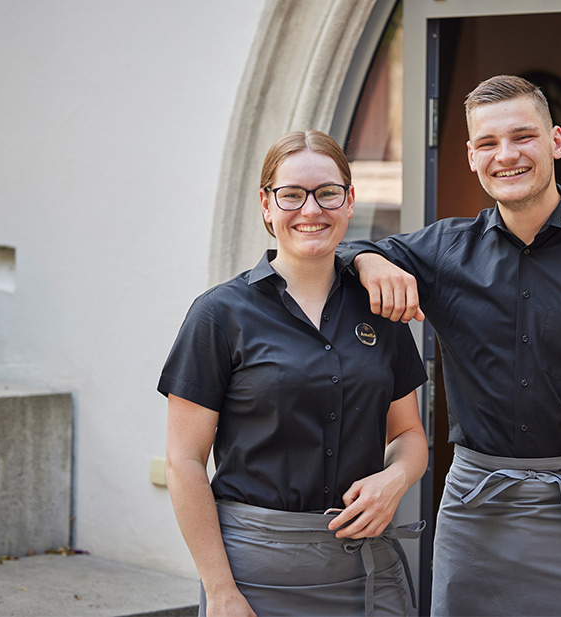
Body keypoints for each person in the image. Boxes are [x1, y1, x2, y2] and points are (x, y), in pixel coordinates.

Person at [340, 75, 561, 617]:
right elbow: (343, 246)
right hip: (474, 516)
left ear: (556, 142)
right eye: (487, 143)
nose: (505, 155)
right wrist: (368, 260)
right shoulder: (443, 250)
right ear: (470, 156)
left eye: (522, 137)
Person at [160, 129, 429, 617]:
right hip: (254, 575)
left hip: (365, 571)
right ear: (266, 204)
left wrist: (396, 479)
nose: (311, 210)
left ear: (349, 202)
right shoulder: (218, 314)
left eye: (327, 193)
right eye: (291, 195)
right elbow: (184, 462)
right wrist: (220, 589)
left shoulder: (378, 310)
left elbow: (409, 433)